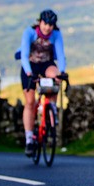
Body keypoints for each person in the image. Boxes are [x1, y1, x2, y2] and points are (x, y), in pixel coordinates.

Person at [16, 9, 66, 157]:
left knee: (55, 76)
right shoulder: (29, 32)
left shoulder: (56, 35)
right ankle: (29, 139)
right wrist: (29, 73)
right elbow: (24, 55)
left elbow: (61, 56)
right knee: (30, 102)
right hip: (30, 66)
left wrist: (62, 73)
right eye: (45, 24)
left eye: (51, 25)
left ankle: (51, 109)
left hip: (46, 64)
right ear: (40, 22)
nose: (47, 27)